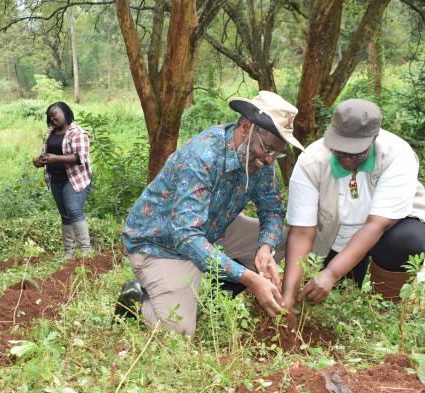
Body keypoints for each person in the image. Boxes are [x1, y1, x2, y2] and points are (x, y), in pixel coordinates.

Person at [119, 91, 304, 336]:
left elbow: (271, 209)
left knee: (285, 241)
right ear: (247, 127)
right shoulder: (202, 155)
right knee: (180, 332)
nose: (271, 160)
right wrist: (249, 277)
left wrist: (265, 248)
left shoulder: (259, 158)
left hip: (214, 228)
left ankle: (218, 298)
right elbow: (186, 237)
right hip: (163, 243)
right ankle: (133, 301)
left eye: (277, 153)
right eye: (269, 149)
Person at [282, 99, 425, 311]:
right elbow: (301, 233)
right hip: (336, 235)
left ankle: (385, 308)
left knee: (405, 241)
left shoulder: (396, 154)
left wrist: (331, 273)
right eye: (340, 150)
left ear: (374, 139)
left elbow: (377, 225)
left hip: (392, 226)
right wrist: (287, 298)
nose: (346, 159)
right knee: (333, 301)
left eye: (356, 153)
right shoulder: (312, 161)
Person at [32, 102, 92, 257]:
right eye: (49, 116)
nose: (52, 119)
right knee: (64, 215)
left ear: (65, 113)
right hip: (55, 179)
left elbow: (81, 157)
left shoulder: (77, 133)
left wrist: (56, 159)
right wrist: (38, 161)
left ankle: (86, 250)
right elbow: (46, 154)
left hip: (75, 179)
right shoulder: (50, 133)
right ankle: (69, 252)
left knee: (74, 210)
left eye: (55, 115)